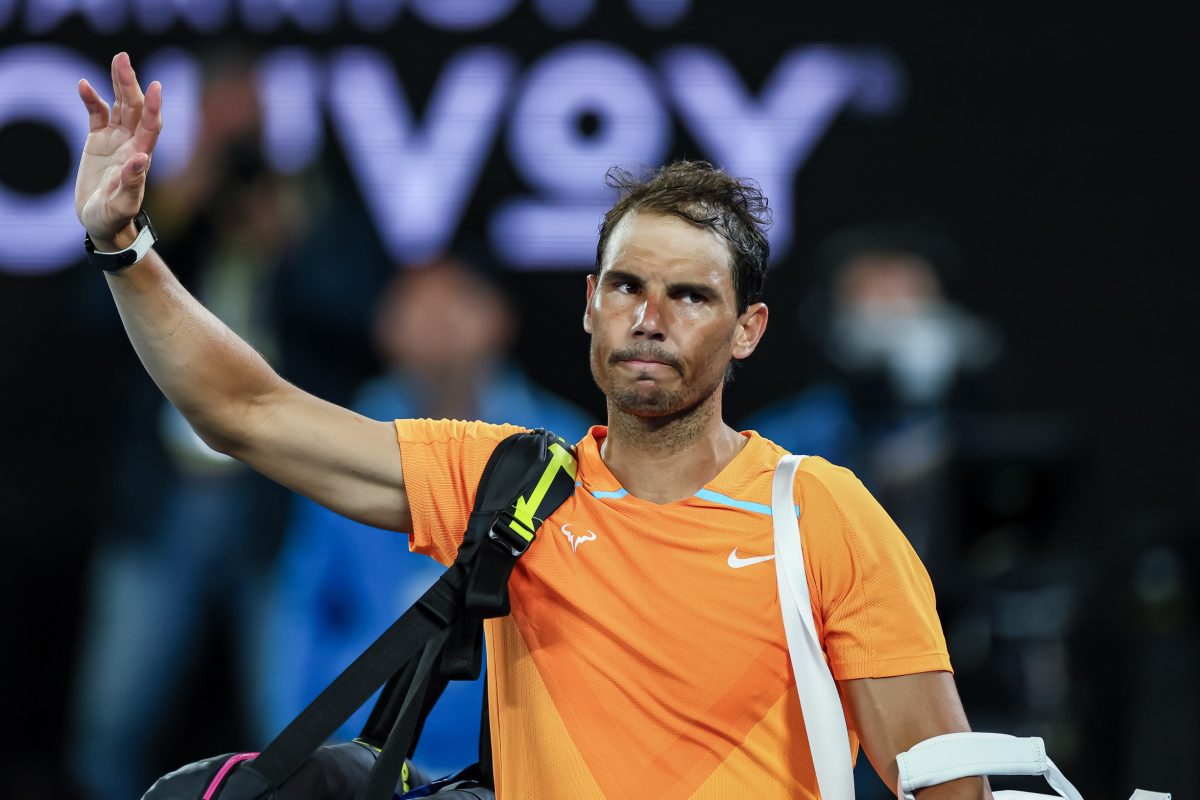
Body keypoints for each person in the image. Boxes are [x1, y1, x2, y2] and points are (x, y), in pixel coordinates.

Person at [75, 53, 988, 798]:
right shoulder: (507, 483)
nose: (649, 316)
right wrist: (126, 247)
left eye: (690, 295)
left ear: (747, 330)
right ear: (590, 305)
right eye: (627, 286)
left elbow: (945, 786)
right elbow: (248, 411)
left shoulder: (822, 515)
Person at [258, 256, 590, 773]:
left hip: (518, 759)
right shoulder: (342, 439)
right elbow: (300, 601)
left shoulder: (571, 445)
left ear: (503, 317)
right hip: (361, 752)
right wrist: (286, 748)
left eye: (459, 295)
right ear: (382, 324)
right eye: (413, 298)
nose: (436, 315)